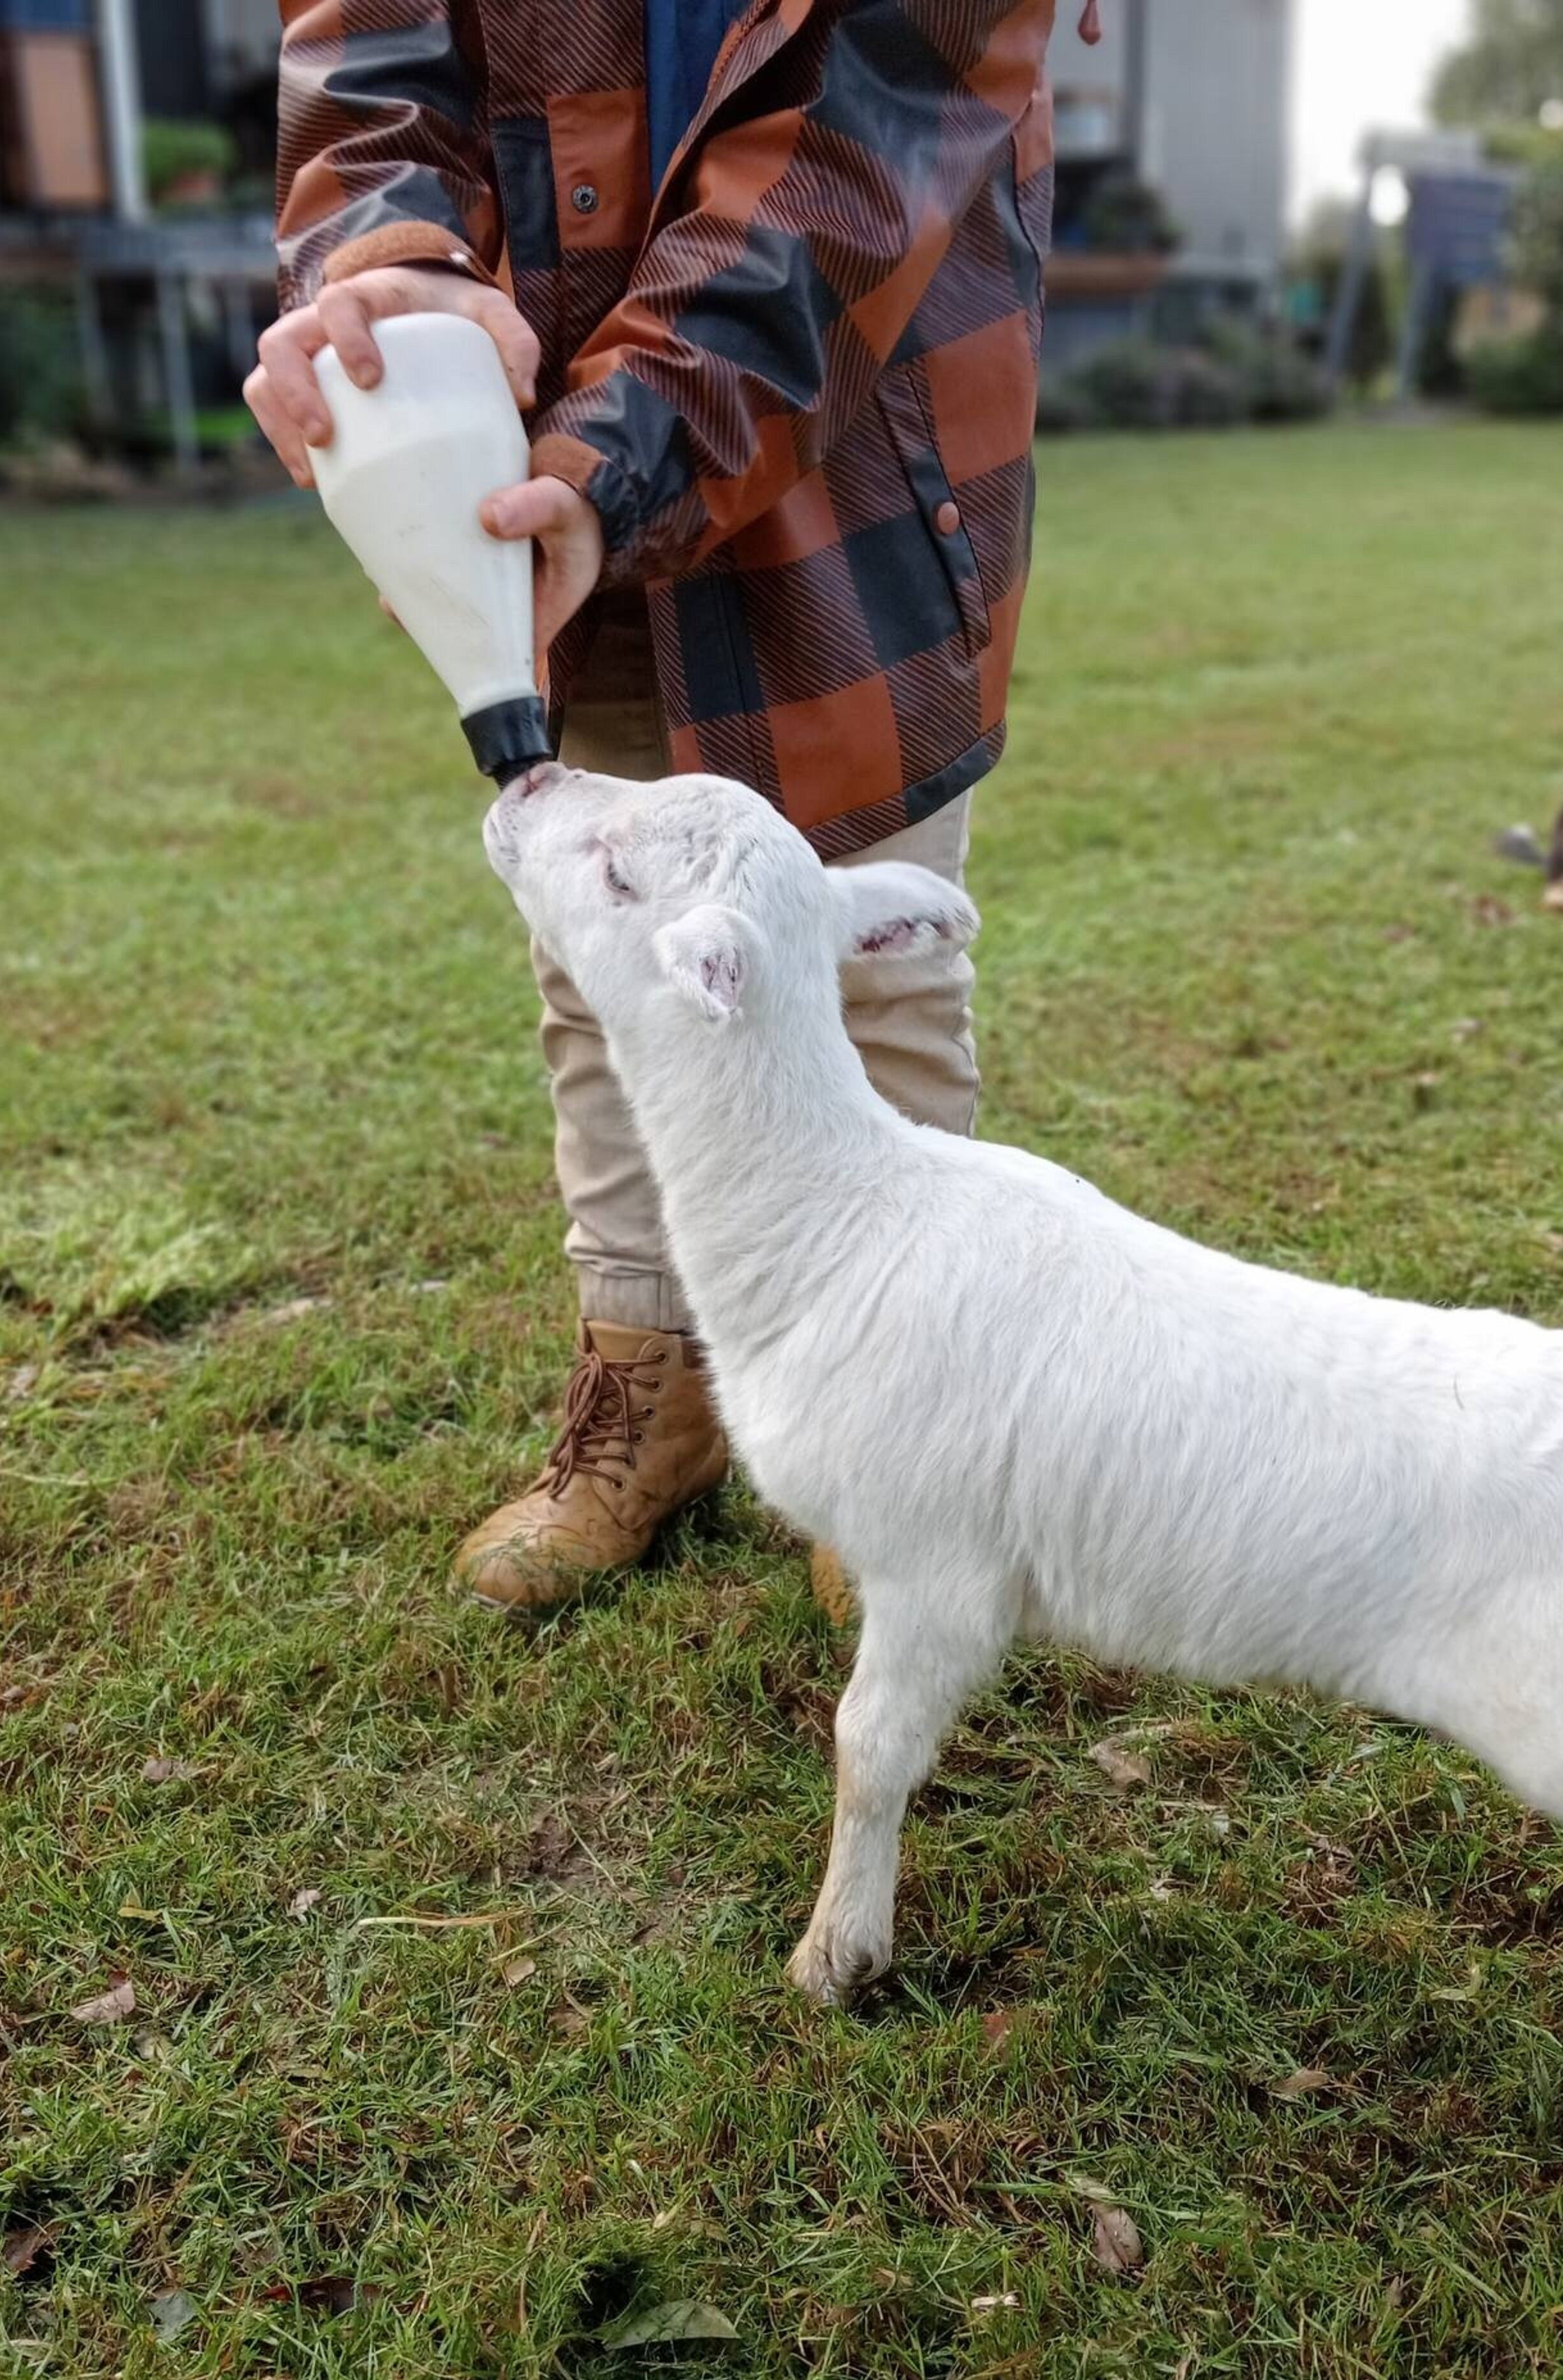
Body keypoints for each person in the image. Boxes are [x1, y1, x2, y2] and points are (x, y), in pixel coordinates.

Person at [249, 0, 1076, 1612]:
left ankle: (895, 1433)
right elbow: (369, 56)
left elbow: (849, 180)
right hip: (534, 453)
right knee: (601, 971)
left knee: (874, 970)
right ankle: (660, 1394)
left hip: (857, 475)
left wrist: (609, 460)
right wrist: (387, 262)